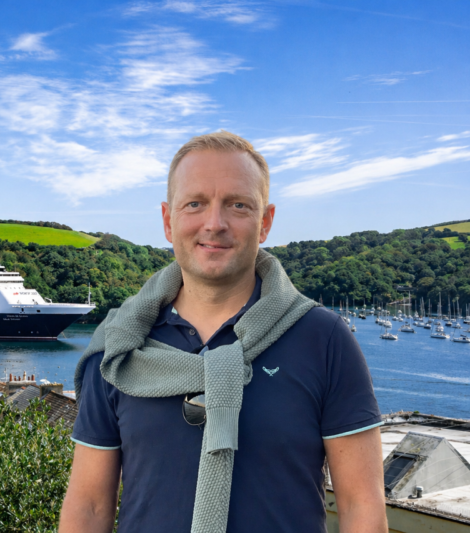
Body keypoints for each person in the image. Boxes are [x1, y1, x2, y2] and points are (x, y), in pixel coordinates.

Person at [59, 131, 386, 533]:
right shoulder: (118, 349)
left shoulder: (325, 339)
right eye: (195, 203)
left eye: (237, 205)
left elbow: (362, 508)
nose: (214, 224)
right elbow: (89, 507)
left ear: (265, 222)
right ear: (168, 220)